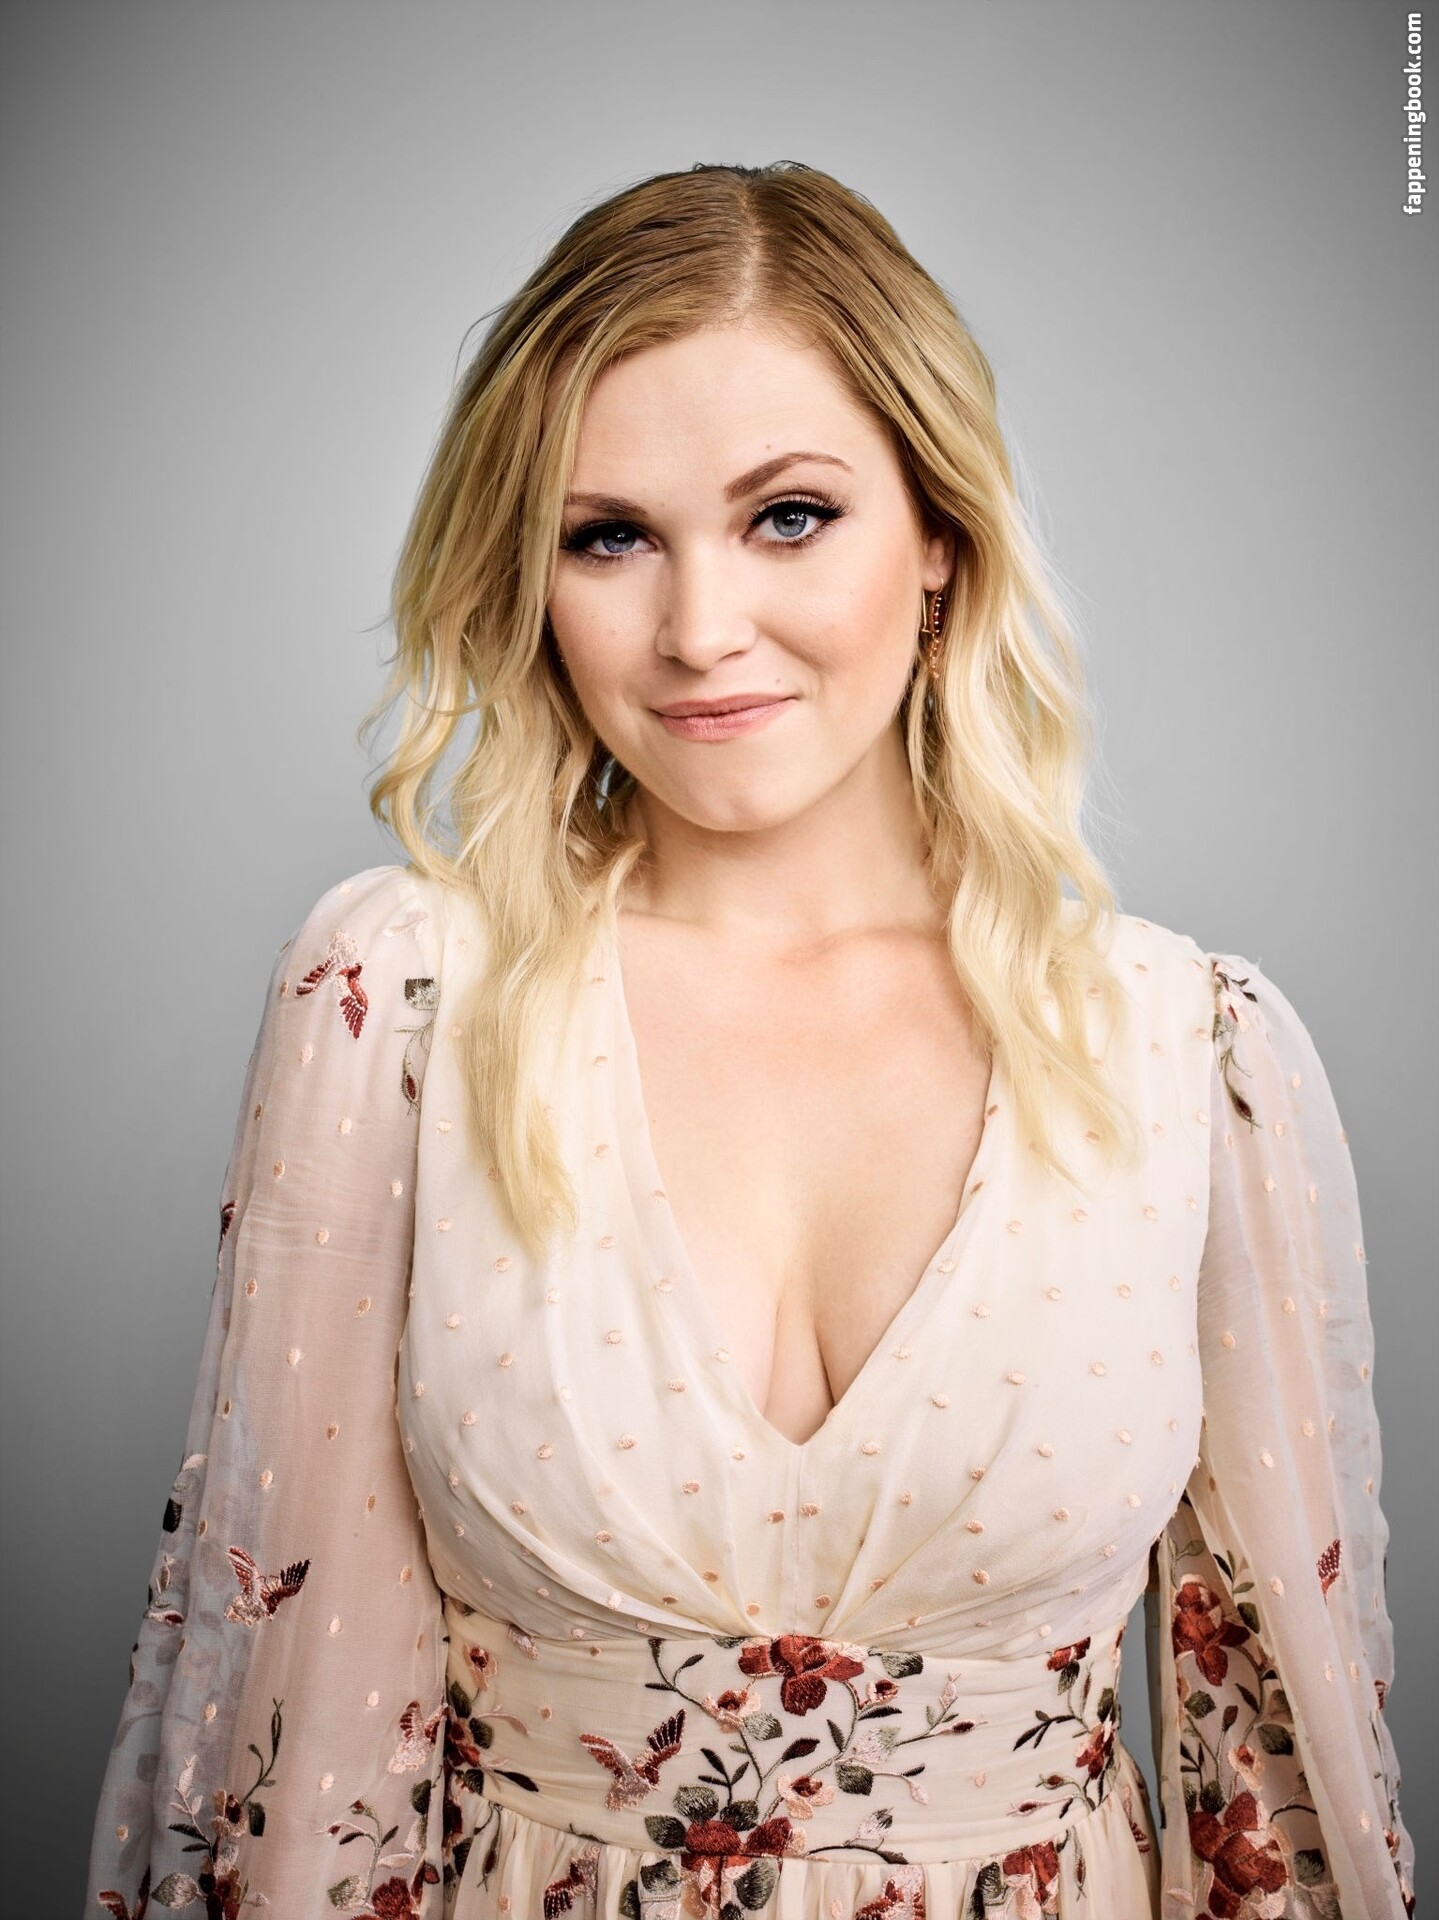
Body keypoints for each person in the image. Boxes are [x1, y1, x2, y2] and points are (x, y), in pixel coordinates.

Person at [86, 162, 1414, 1920]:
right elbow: (292, 1739)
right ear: (530, 579)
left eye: (788, 516)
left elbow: (1275, 1786)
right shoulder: (399, 1004)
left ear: (939, 540)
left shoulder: (1189, 1056)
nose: (700, 631)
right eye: (608, 536)